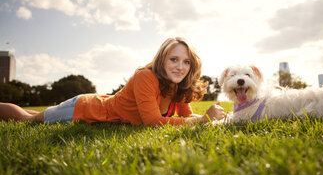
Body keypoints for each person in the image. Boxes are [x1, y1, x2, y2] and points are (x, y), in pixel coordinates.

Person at [0, 37, 226, 125]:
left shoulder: (178, 85)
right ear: (161, 60)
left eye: (186, 62)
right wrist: (203, 120)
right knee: (25, 119)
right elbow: (152, 122)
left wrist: (212, 119)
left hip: (96, 107)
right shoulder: (145, 76)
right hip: (86, 109)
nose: (180, 66)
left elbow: (187, 116)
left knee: (31, 115)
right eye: (174, 59)